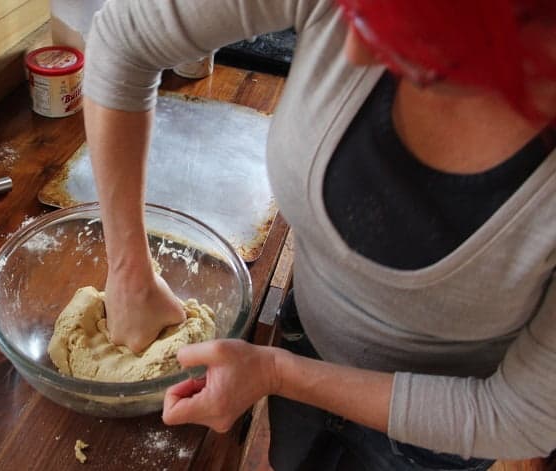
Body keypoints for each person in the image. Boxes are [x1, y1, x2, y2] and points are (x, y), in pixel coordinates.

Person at [81, 0, 556, 469]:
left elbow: (523, 415)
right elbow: (124, 38)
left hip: (439, 431)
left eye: (412, 36)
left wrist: (276, 373)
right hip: (301, 337)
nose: (353, 53)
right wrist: (129, 272)